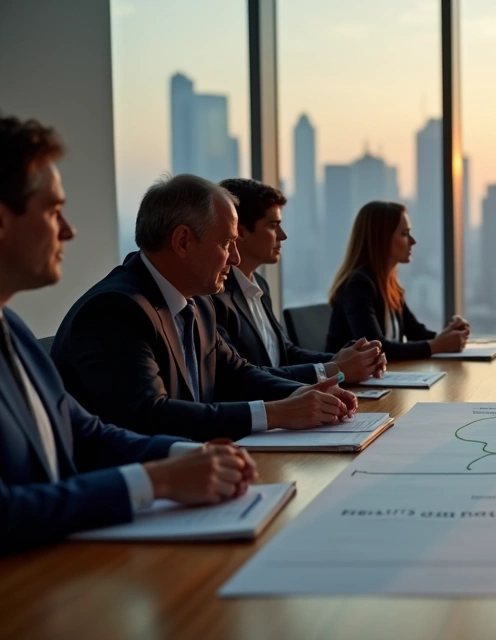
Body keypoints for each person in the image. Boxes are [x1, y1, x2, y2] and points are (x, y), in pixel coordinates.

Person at [0, 115, 256, 553]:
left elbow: (87, 434)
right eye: (52, 210)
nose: (69, 230)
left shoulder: (13, 330)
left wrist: (186, 457)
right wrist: (155, 480)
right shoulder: (113, 309)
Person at [51, 174, 357, 442]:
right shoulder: (115, 310)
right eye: (226, 243)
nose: (235, 258)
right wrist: (274, 413)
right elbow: (148, 416)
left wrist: (298, 394)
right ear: (183, 241)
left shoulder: (199, 302)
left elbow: (236, 374)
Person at [211, 178, 386, 384]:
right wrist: (333, 369)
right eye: (273, 225)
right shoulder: (215, 297)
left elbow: (285, 353)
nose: (282, 236)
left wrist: (349, 360)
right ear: (240, 232)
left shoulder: (259, 284)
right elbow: (244, 376)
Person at [327, 201, 468, 359]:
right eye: (404, 234)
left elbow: (416, 333)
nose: (412, 241)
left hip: (383, 379)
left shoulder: (390, 285)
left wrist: (450, 335)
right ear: (382, 239)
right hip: (350, 383)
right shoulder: (357, 285)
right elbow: (376, 348)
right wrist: (438, 345)